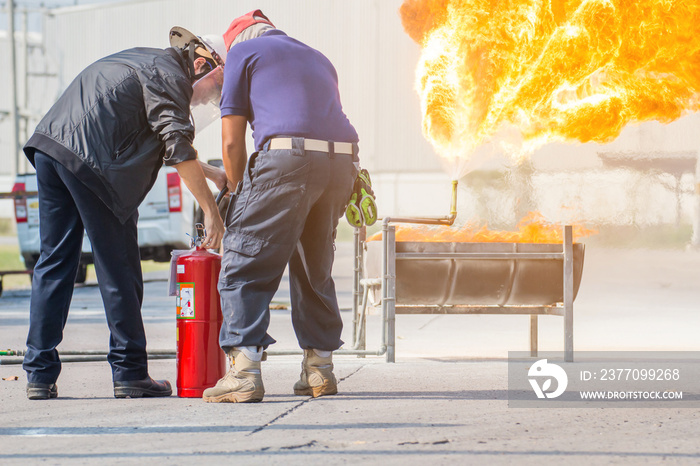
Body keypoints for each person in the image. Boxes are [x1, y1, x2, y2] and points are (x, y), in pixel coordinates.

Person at [21, 28, 228, 400]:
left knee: (55, 262)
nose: (203, 101)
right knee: (119, 268)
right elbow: (176, 144)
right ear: (201, 64)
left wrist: (212, 174)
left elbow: (155, 139)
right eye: (212, 90)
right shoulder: (172, 77)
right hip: (91, 163)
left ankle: (38, 373)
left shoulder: (145, 59)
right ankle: (130, 372)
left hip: (51, 150)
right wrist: (212, 212)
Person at [202, 10, 360, 403]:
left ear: (234, 42)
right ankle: (320, 370)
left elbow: (232, 143)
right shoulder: (318, 56)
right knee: (314, 265)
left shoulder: (243, 54)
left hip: (287, 159)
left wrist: (238, 193)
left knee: (244, 259)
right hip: (344, 162)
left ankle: (243, 373)